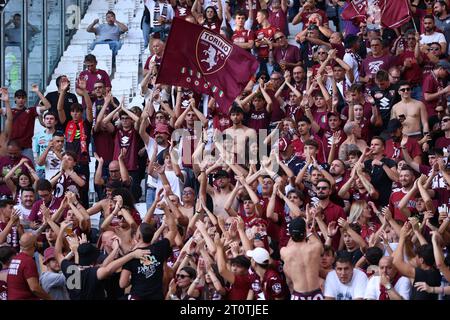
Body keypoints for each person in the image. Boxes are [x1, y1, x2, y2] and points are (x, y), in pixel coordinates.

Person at [120, 209, 177, 300]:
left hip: (137, 296)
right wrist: (165, 208)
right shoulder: (159, 248)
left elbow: (122, 284)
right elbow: (173, 230)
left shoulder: (131, 256)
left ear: (138, 236)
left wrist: (136, 278)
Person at [280, 216, 323, 300]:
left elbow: (291, 243)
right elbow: (319, 245)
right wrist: (307, 230)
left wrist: (294, 233)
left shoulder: (285, 251)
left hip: (298, 296)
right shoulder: (316, 247)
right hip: (316, 295)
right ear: (305, 232)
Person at [7, 233, 52, 300]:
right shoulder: (28, 261)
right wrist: (49, 298)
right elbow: (34, 288)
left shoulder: (15, 259)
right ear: (35, 244)